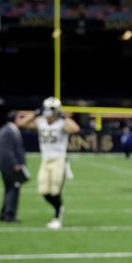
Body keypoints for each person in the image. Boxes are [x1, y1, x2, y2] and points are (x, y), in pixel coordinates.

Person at [17, 97, 80, 229]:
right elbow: (21, 123)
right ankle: (59, 207)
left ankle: (58, 217)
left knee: (55, 190)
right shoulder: (40, 121)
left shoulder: (62, 123)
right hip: (45, 160)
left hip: (59, 160)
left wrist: (63, 116)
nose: (48, 115)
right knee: (44, 190)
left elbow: (75, 128)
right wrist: (35, 113)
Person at [0, 110, 27, 223]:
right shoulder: (9, 131)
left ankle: (4, 213)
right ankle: (10, 215)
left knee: (9, 189)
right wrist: (15, 164)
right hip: (10, 167)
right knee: (13, 190)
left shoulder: (8, 130)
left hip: (8, 166)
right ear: (15, 119)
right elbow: (7, 151)